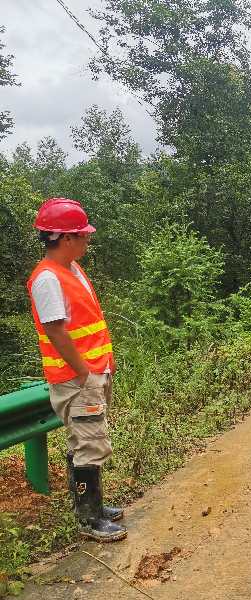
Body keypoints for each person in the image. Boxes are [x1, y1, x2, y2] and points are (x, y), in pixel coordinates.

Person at [26, 198, 127, 543]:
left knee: (85, 439)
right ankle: (89, 518)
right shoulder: (47, 279)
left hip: (93, 371)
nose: (88, 240)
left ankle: (93, 506)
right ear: (66, 238)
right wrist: (84, 373)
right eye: (83, 235)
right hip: (77, 377)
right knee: (90, 443)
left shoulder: (71, 269)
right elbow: (56, 331)